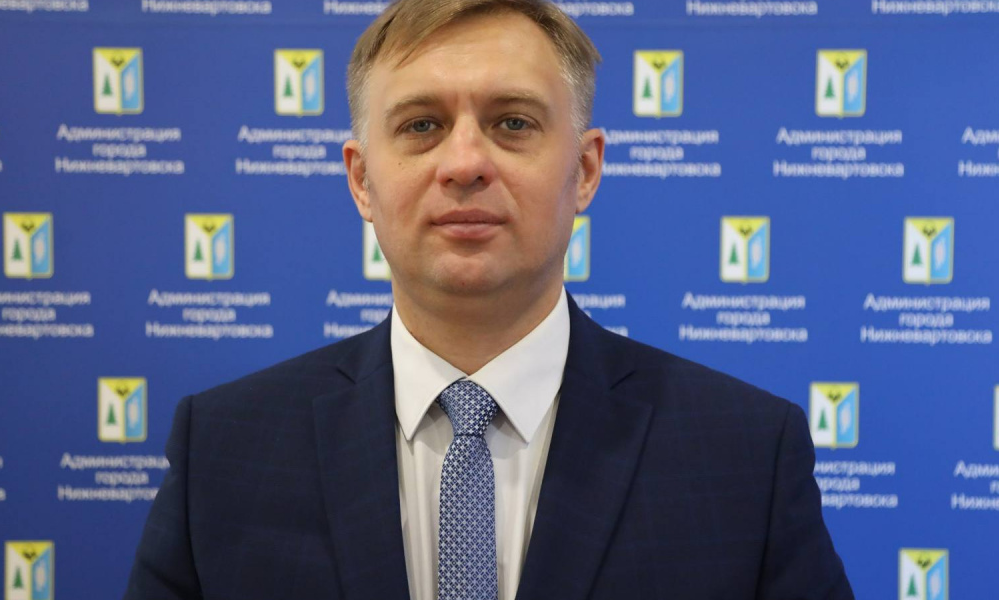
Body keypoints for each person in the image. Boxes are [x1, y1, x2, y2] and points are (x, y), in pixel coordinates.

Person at [124, 0, 854, 598]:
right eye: (422, 125)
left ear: (585, 169)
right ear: (361, 180)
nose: (466, 162)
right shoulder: (224, 450)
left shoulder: (746, 455)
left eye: (512, 123)